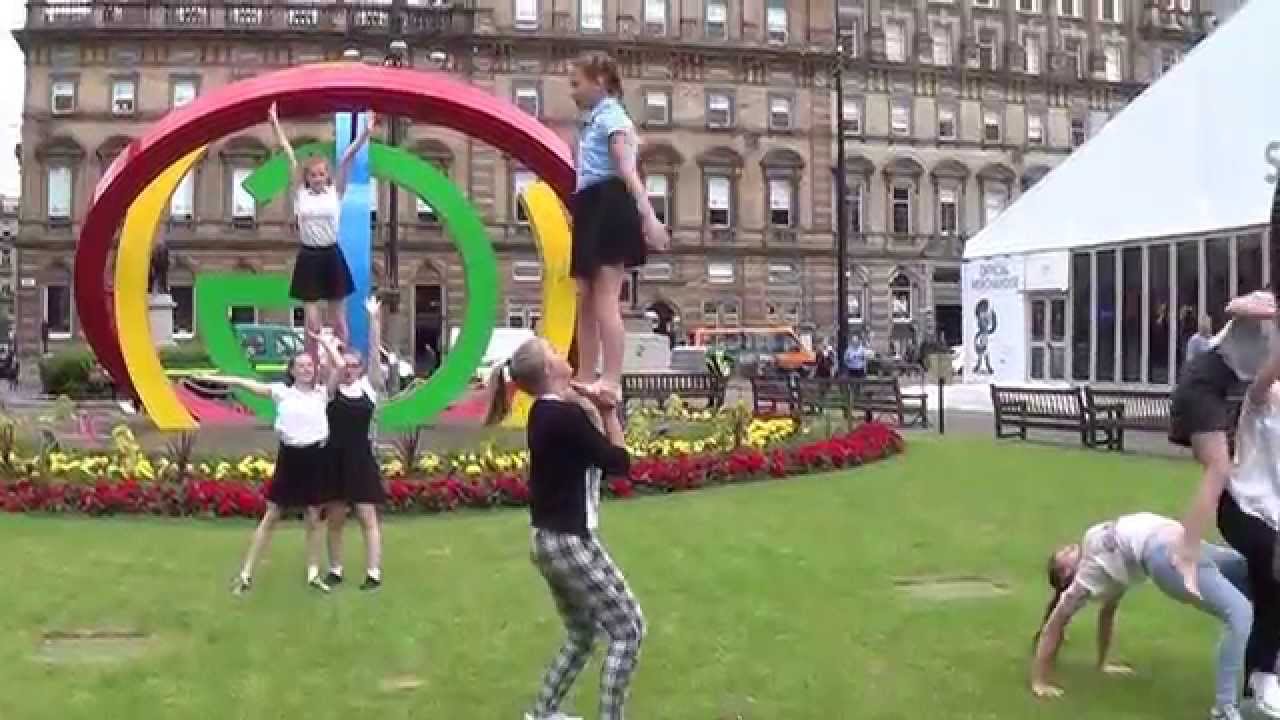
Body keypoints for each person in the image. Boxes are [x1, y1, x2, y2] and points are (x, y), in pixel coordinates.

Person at [485, 337, 645, 720]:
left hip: (550, 540)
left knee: (582, 634)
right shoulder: (563, 418)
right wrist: (608, 413)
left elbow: (571, 414)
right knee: (628, 629)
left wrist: (584, 397)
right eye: (554, 351)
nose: (562, 352)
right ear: (548, 370)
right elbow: (618, 462)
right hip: (569, 542)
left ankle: (541, 714)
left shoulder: (545, 412)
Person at [1031, 513, 1254, 720]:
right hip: (1166, 553)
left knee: (1255, 572)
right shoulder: (1088, 577)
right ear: (1066, 575)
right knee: (1239, 611)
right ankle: (1225, 709)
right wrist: (1039, 681)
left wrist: (1103, 663)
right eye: (1065, 556)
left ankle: (1263, 682)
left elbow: (1107, 614)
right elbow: (1054, 626)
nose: (1070, 548)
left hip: (1184, 540)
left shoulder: (1099, 560)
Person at [567, 52, 669, 411]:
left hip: (610, 204)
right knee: (585, 296)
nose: (572, 92)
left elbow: (628, 171)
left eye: (576, 84)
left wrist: (649, 217)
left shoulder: (614, 119)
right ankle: (583, 373)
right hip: (590, 203)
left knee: (606, 296)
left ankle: (610, 378)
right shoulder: (594, 121)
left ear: (600, 82)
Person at [1170, 291, 1276, 606]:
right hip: (1202, 383)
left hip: (1215, 389)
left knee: (1222, 469)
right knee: (1219, 469)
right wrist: (1269, 310)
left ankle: (1196, 552)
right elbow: (1232, 306)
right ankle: (1185, 554)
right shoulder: (1266, 302)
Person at [206, 352, 340, 595]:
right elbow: (252, 385)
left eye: (309, 365)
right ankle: (245, 574)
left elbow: (339, 368)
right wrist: (226, 380)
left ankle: (313, 574)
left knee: (313, 517)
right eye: (300, 365)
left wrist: (326, 345)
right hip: (290, 458)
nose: (306, 369)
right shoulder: (281, 392)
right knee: (272, 516)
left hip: (315, 458)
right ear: (292, 370)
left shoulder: (322, 394)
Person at [267, 102, 376, 358]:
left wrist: (365, 134)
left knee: (338, 320)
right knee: (312, 323)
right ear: (307, 178)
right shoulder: (300, 194)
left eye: (321, 174)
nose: (318, 178)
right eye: (313, 175)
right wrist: (274, 123)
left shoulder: (334, 192)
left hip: (331, 255)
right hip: (309, 256)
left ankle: (343, 365)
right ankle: (312, 369)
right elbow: (289, 155)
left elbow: (347, 157)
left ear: (327, 176)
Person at [315, 296, 387, 591]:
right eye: (347, 365)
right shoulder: (330, 389)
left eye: (354, 365)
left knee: (367, 516)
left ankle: (373, 573)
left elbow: (373, 355)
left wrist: (373, 320)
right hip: (334, 458)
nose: (349, 369)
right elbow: (333, 369)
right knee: (335, 518)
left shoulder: (368, 387)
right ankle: (335, 569)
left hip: (360, 458)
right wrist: (329, 346)